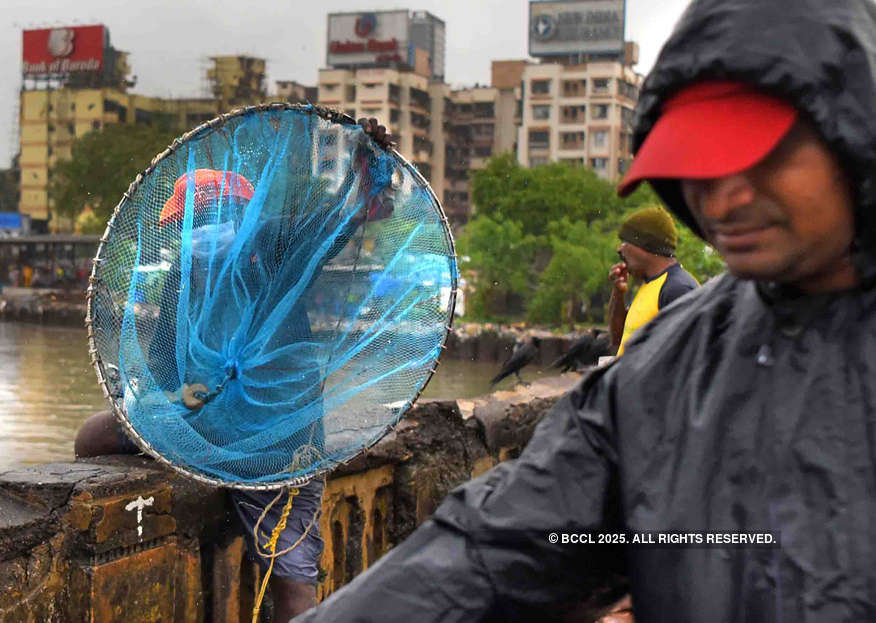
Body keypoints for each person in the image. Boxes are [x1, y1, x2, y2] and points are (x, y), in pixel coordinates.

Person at [293, 1, 876, 621]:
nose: (724, 199)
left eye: (758, 156)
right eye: (696, 166)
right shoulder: (672, 363)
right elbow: (498, 546)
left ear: (851, 134)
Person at [77, 117, 395, 623]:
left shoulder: (272, 252)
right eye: (190, 223)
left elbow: (342, 221)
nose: (198, 232)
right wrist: (177, 398)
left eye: (208, 217)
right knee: (93, 436)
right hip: (200, 429)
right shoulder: (183, 281)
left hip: (273, 445)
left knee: (291, 576)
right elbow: (162, 365)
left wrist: (369, 163)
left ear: (240, 217)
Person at [607, 206, 698, 355]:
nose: (619, 249)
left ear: (643, 246)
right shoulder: (650, 285)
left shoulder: (677, 289)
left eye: (625, 241)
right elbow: (617, 340)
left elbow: (687, 359)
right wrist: (618, 292)